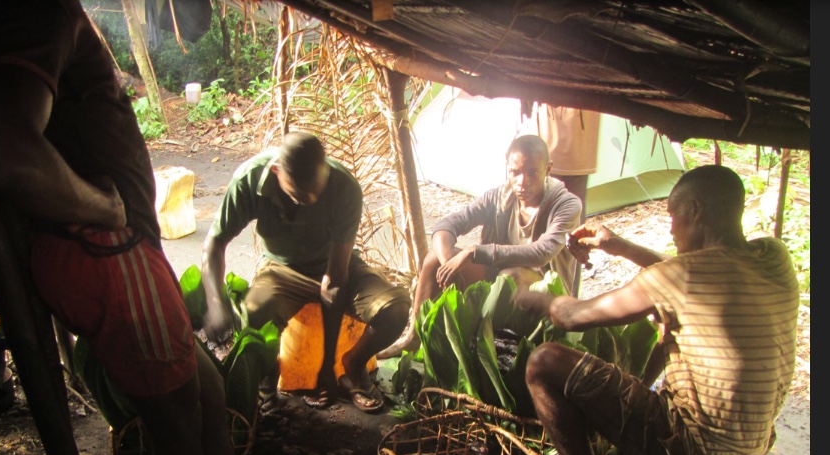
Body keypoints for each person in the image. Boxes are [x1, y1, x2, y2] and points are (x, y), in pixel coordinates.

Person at [0, 0, 341, 455]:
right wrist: (99, 208)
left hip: (122, 255)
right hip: (110, 254)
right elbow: (4, 147)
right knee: (175, 427)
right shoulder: (34, 8)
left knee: (208, 396)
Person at [515, 165, 798, 455]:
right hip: (751, 447)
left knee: (544, 362)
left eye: (672, 216)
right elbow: (692, 273)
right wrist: (619, 247)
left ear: (694, 210)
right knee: (668, 322)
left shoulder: (681, 277)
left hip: (697, 453)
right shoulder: (773, 257)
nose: (669, 229)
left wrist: (531, 295)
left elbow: (571, 316)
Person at [201, 131, 410, 413]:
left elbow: (335, 281)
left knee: (394, 309)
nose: (311, 199)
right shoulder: (249, 179)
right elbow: (214, 243)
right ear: (277, 172)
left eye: (318, 191)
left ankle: (353, 366)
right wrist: (215, 304)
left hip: (338, 266)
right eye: (300, 194)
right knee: (253, 312)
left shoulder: (344, 186)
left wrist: (326, 367)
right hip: (282, 269)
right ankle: (266, 386)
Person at [377, 134, 582, 359]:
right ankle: (414, 336)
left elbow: (541, 253)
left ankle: (481, 342)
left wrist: (473, 252)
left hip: (546, 289)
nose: (523, 182)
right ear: (507, 167)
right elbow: (448, 225)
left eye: (532, 172)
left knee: (508, 276)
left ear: (548, 168)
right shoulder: (498, 197)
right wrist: (448, 265)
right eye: (515, 173)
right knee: (433, 259)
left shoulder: (566, 204)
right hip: (502, 277)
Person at [532, 105, 601, 297]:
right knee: (543, 224)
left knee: (570, 231)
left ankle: (567, 298)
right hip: (548, 138)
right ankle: (551, 295)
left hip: (577, 136)